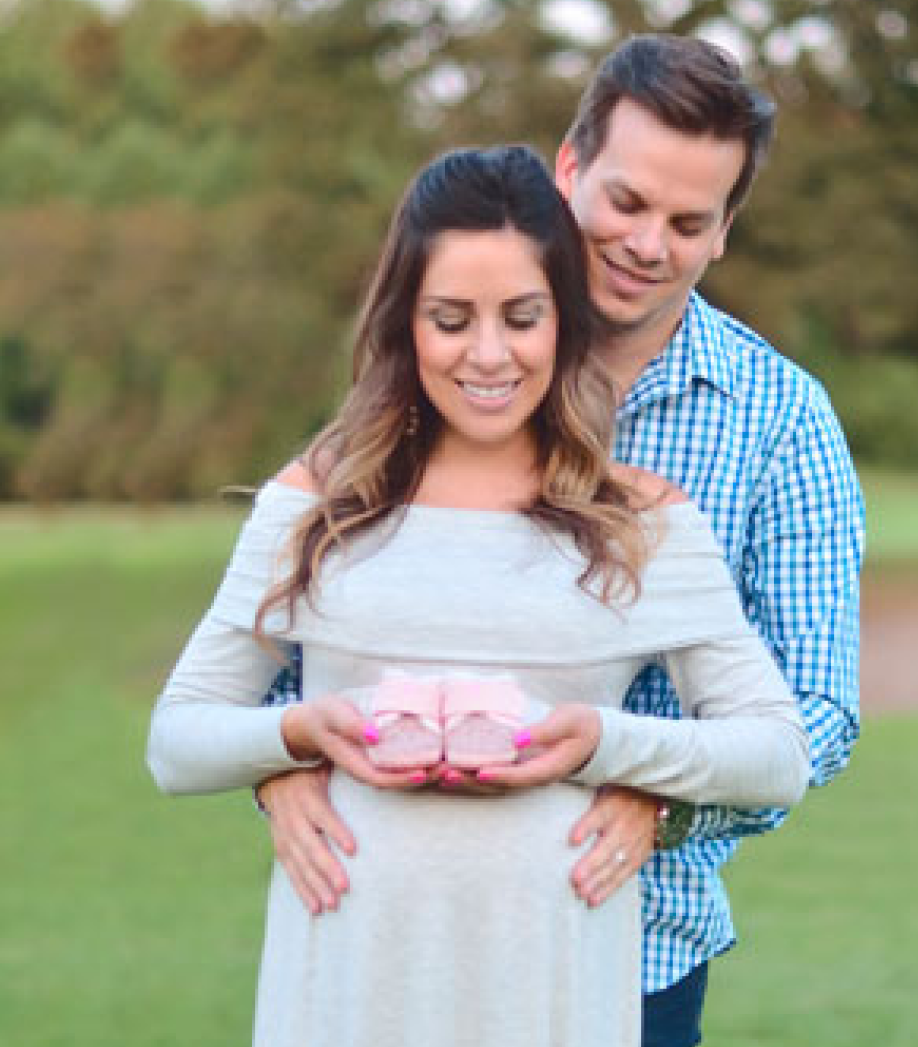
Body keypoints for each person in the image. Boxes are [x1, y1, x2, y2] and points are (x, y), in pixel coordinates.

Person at [257, 34, 865, 1047]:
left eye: (686, 221)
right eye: (625, 203)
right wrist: (279, 767)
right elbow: (293, 651)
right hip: (389, 934)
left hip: (631, 945)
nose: (646, 244)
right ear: (569, 170)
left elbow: (818, 710)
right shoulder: (443, 372)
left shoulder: (781, 420)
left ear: (723, 233)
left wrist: (660, 795)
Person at [147, 144, 811, 1047]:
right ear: (405, 325)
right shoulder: (314, 507)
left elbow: (776, 752)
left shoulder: (643, 524)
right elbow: (176, 739)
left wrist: (615, 750)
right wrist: (293, 738)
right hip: (344, 997)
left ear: (565, 323)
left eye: (522, 316)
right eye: (451, 318)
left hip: (554, 996)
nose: (489, 354)